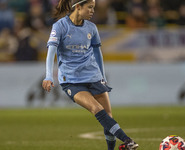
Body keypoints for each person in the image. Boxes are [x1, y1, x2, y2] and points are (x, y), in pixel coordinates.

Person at [42, 0, 139, 150]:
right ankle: (127, 140)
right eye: (90, 7)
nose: (93, 11)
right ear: (78, 7)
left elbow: (97, 53)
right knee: (96, 109)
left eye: (94, 8)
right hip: (72, 81)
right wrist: (49, 76)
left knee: (108, 117)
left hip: (93, 77)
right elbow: (51, 52)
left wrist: (102, 77)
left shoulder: (91, 28)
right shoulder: (60, 26)